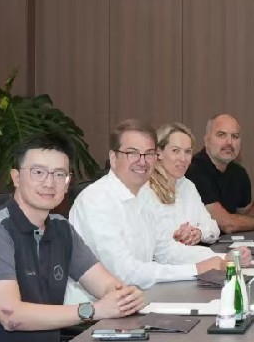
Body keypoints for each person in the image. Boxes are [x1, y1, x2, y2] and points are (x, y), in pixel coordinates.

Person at [0, 134, 146, 342]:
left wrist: (126, 295)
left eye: (60, 174)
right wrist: (92, 310)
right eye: (38, 172)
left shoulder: (60, 229)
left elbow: (106, 285)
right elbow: (11, 315)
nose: (49, 183)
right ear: (16, 177)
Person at [71, 119, 231, 287]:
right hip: (94, 301)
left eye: (148, 154)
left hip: (137, 294)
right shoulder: (96, 200)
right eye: (132, 153)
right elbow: (124, 272)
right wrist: (196, 269)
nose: (142, 161)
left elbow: (165, 250)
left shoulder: (145, 195)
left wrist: (223, 259)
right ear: (113, 158)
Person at [187, 113, 254, 234]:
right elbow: (226, 223)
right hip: (198, 244)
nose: (229, 142)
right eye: (221, 135)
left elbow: (248, 210)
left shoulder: (238, 172)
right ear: (207, 140)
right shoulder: (194, 171)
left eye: (235, 136)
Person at [143, 122, 220, 247]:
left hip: (189, 255)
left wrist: (198, 232)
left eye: (188, 152)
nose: (183, 159)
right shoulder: (145, 188)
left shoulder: (187, 185)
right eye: (176, 151)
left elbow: (213, 228)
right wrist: (179, 235)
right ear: (159, 152)